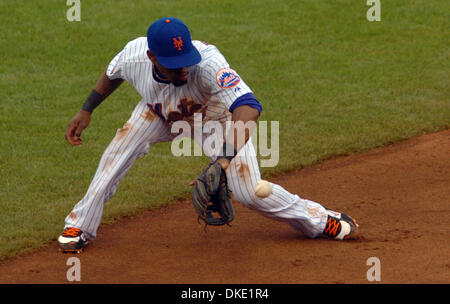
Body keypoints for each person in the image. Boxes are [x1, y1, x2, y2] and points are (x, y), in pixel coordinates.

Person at [58, 17, 359, 253]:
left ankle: (320, 220)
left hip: (213, 119)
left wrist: (224, 161)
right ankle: (79, 225)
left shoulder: (209, 63)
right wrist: (87, 110)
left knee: (251, 193)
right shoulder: (133, 55)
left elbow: (248, 107)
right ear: (152, 57)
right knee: (114, 157)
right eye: (174, 66)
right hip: (157, 113)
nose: (184, 70)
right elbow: (111, 75)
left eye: (185, 60)